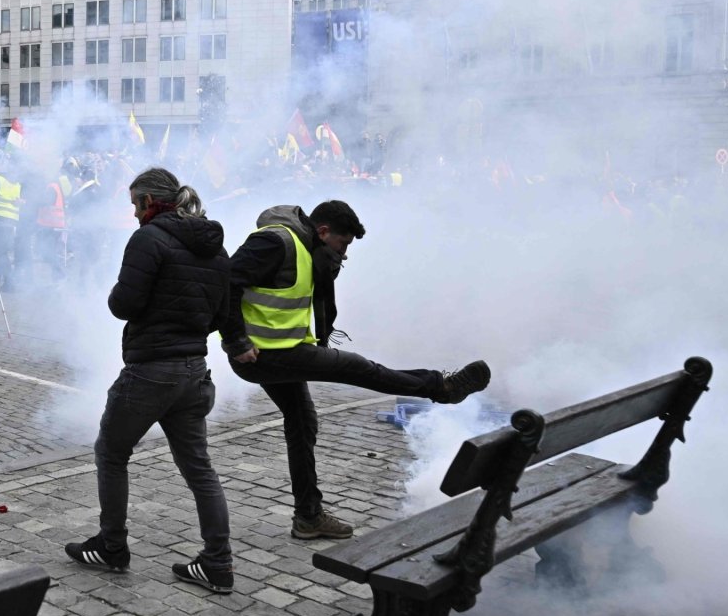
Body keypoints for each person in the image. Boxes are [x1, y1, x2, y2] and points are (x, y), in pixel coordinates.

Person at [225, 201, 492, 540]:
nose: (345, 254)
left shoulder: (307, 251)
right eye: (343, 244)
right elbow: (226, 284)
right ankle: (442, 387)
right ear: (323, 232)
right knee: (358, 368)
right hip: (262, 355)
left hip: (282, 352)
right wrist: (235, 341)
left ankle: (308, 517)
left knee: (303, 422)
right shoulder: (276, 242)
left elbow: (308, 302)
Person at [65, 168, 241, 592]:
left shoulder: (148, 239)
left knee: (111, 452)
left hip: (151, 370)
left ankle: (112, 546)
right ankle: (217, 562)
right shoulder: (215, 247)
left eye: (134, 205)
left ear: (149, 202)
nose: (132, 214)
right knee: (200, 469)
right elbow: (222, 314)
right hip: (194, 370)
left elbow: (124, 303)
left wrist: (114, 293)